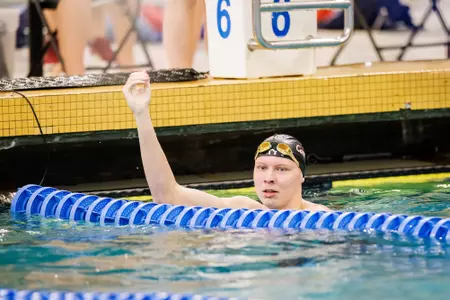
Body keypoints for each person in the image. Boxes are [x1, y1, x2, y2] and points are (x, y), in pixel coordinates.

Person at [122, 71, 330, 212]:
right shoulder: (243, 209)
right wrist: (141, 114)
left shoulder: (322, 217)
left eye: (282, 169)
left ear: (302, 175)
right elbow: (167, 196)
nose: (269, 178)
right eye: (262, 167)